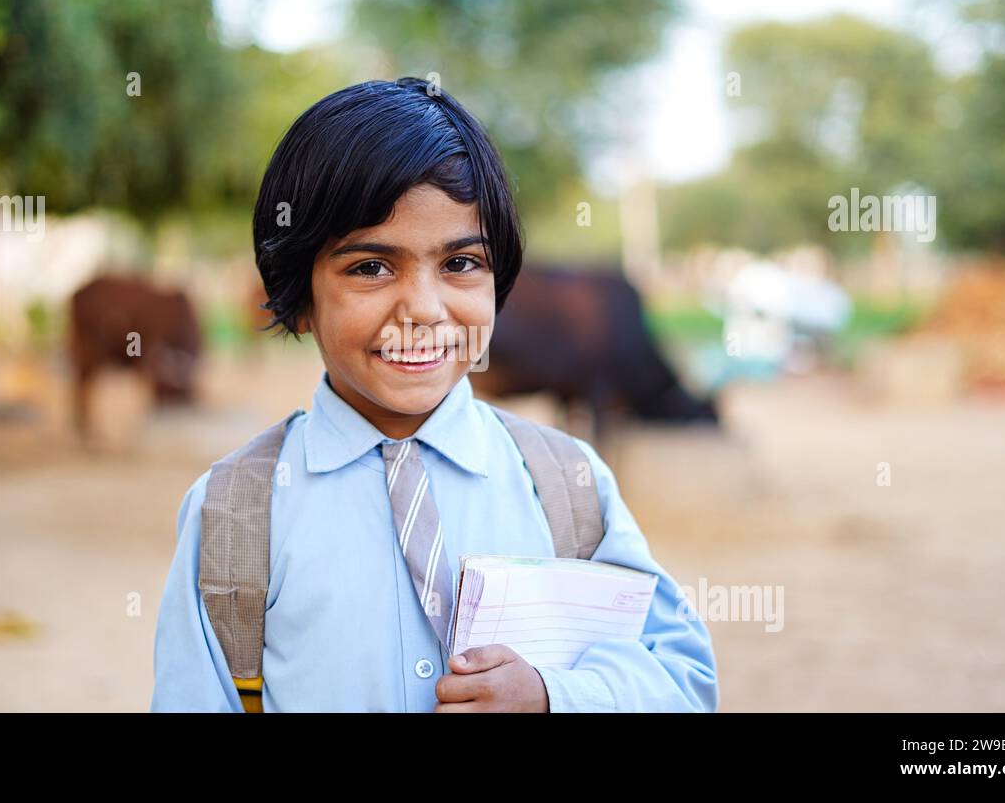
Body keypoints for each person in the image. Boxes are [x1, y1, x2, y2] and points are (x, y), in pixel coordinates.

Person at [151, 77, 717, 712]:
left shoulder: (568, 486)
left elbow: (682, 680)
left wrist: (553, 697)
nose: (423, 308)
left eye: (460, 264)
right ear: (299, 298)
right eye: (370, 267)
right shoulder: (235, 514)